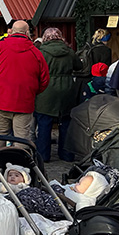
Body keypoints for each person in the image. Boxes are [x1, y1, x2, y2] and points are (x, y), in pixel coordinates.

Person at [0, 19, 50, 144]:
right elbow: (44, 80)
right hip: (24, 102)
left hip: (0, 100)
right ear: (27, 33)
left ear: (11, 31)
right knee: (22, 139)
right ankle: (20, 162)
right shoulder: (35, 53)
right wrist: (32, 92)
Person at [35, 28, 80, 162]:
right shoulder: (69, 52)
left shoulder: (40, 52)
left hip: (46, 89)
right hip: (67, 89)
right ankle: (67, 154)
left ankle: (43, 155)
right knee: (66, 123)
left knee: (44, 123)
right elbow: (79, 66)